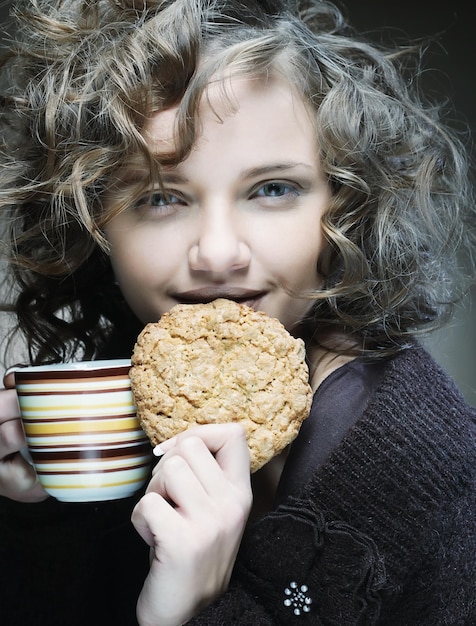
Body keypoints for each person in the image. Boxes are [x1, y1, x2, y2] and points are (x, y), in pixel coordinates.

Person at [0, 0, 475, 624]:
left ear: (344, 204)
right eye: (162, 198)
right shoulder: (123, 394)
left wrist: (196, 610)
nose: (218, 254)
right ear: (95, 223)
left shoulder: (435, 475)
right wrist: (39, 512)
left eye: (272, 189)